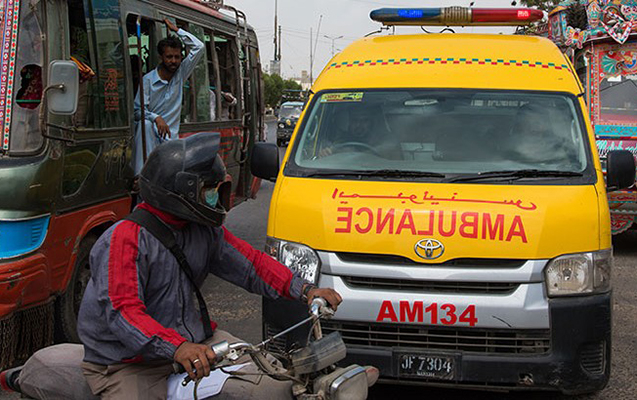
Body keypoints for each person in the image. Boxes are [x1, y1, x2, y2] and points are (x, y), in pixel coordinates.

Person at [76, 132, 342, 399]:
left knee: (271, 381)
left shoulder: (203, 231)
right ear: (181, 191)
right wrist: (176, 347)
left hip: (196, 346)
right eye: (208, 190)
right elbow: (124, 312)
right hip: (129, 363)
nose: (214, 197)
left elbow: (252, 265)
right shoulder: (125, 239)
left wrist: (305, 290)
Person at [132, 19, 205, 174]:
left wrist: (177, 30)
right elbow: (137, 111)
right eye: (169, 57)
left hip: (171, 145)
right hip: (150, 142)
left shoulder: (180, 74)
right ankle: (141, 176)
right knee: (145, 124)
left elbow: (199, 47)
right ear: (161, 57)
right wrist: (156, 118)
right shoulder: (148, 81)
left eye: (177, 57)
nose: (173, 61)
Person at [319, 104, 400, 159]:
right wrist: (325, 154)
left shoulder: (387, 141)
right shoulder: (339, 141)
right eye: (355, 120)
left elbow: (398, 167)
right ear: (349, 122)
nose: (359, 125)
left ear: (372, 122)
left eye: (364, 121)